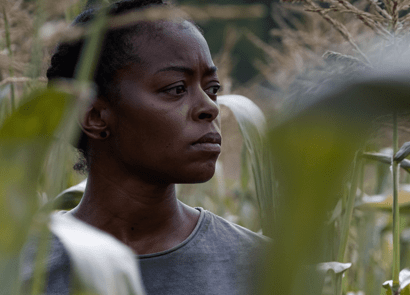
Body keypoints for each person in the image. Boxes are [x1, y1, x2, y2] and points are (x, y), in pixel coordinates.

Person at [20, 0, 268, 294]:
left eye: (212, 89)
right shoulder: (20, 268)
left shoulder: (264, 268)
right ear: (96, 117)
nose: (210, 108)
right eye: (176, 88)